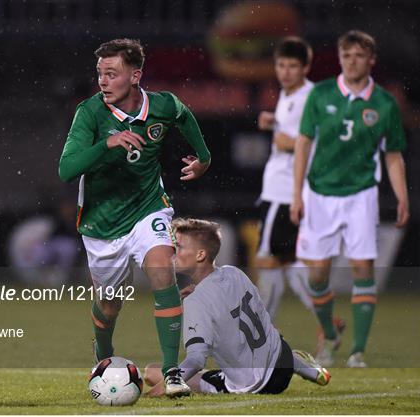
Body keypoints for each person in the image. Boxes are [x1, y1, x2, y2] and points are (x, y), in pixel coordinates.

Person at [58, 39, 211, 397]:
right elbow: (67, 169)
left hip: (148, 208)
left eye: (111, 74)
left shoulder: (161, 106)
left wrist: (203, 157)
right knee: (108, 307)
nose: (103, 81)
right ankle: (103, 355)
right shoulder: (90, 113)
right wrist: (105, 145)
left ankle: (172, 371)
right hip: (102, 224)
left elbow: (183, 116)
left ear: (135, 75)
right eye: (100, 73)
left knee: (162, 269)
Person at [291, 30, 409, 368]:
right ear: (340, 58)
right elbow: (303, 144)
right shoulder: (321, 94)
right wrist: (296, 195)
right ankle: (330, 333)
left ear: (371, 60)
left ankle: (358, 350)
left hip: (361, 194)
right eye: (346, 55)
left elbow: (393, 155)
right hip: (319, 194)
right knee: (316, 276)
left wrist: (402, 197)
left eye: (358, 56)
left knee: (363, 267)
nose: (351, 61)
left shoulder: (384, 103)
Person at [145, 218, 330, 397]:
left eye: (179, 247)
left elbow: (196, 360)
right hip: (282, 360)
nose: (172, 252)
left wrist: (156, 393)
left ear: (200, 255)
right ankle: (308, 368)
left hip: (255, 385)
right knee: (263, 337)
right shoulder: (235, 272)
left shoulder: (195, 301)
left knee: (152, 373)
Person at [256, 36, 316, 320]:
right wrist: (274, 122)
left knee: (268, 258)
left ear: (305, 67)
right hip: (284, 189)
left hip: (285, 191)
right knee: (290, 263)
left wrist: (287, 141)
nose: (286, 71)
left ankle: (258, 333)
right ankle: (326, 317)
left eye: (293, 66)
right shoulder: (288, 95)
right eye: (281, 65)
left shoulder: (309, 98)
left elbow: (318, 140)